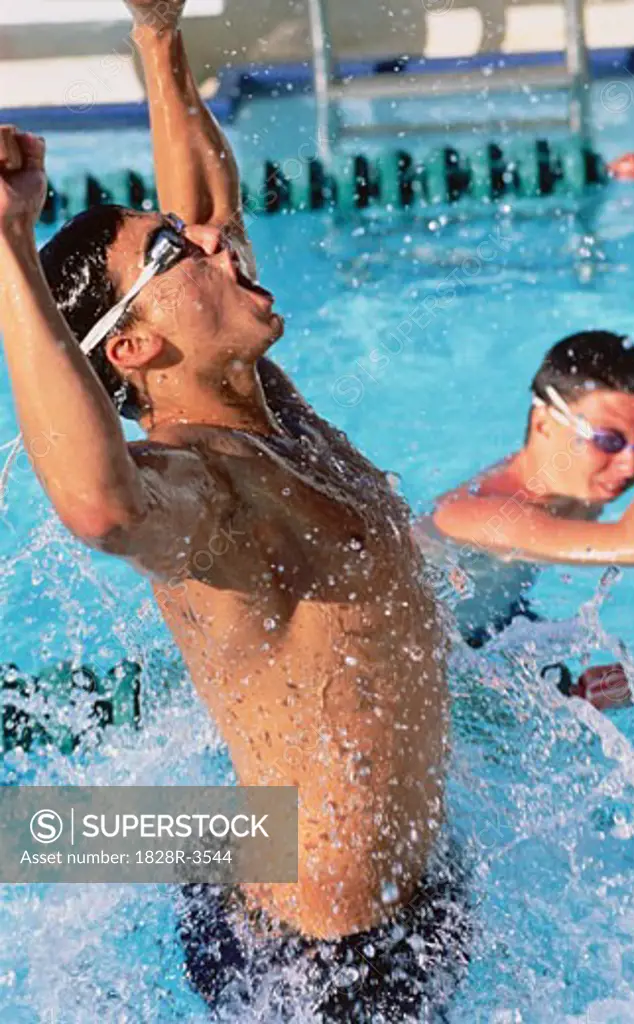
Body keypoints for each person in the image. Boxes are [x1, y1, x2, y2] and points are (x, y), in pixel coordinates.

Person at [0, 2, 468, 1019]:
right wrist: (6, 242)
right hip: (326, 957)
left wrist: (158, 40)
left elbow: (204, 205)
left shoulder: (269, 408)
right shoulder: (208, 484)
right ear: (133, 351)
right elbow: (95, 503)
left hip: (382, 875)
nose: (217, 242)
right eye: (177, 256)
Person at [415, 331, 634, 708]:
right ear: (544, 424)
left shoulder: (580, 484)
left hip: (489, 632)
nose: (631, 466)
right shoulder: (482, 512)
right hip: (406, 670)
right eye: (609, 441)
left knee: (615, 690)